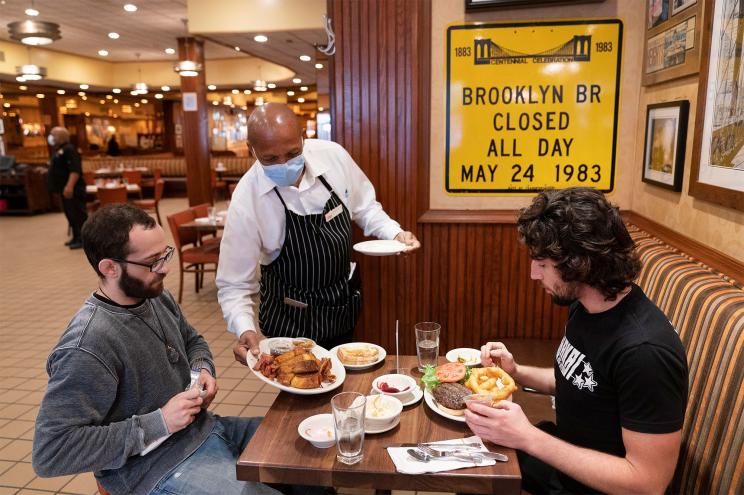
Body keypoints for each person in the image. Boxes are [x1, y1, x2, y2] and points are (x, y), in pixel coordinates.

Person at [32, 204, 280, 495]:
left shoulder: (154, 296)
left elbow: (192, 340)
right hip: (154, 468)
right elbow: (51, 452)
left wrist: (202, 368)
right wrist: (159, 422)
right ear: (110, 267)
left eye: (165, 254)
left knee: (299, 453)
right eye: (152, 262)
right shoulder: (88, 346)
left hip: (204, 430)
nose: (165, 268)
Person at [466, 188, 688, 494]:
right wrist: (516, 372)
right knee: (468, 467)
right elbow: (582, 382)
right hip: (565, 461)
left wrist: (528, 437)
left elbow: (647, 483)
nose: (533, 274)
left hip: (594, 487)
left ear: (579, 263)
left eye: (542, 264)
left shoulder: (645, 353)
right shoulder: (586, 306)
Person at [217, 103, 421, 364]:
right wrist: (244, 328)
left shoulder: (333, 156)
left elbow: (366, 207)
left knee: (341, 386)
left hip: (339, 309)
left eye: (293, 153)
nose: (285, 164)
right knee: (300, 391)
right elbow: (233, 283)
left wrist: (394, 234)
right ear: (251, 149)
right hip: (288, 323)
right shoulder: (247, 198)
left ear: (303, 135)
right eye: (270, 159)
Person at [47, 126, 87, 249]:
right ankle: (76, 237)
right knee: (70, 214)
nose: (51, 137)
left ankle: (83, 239)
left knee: (78, 214)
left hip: (73, 190)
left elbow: (75, 170)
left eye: (53, 135)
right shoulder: (60, 150)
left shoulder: (69, 150)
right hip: (64, 190)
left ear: (60, 137)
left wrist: (69, 186)